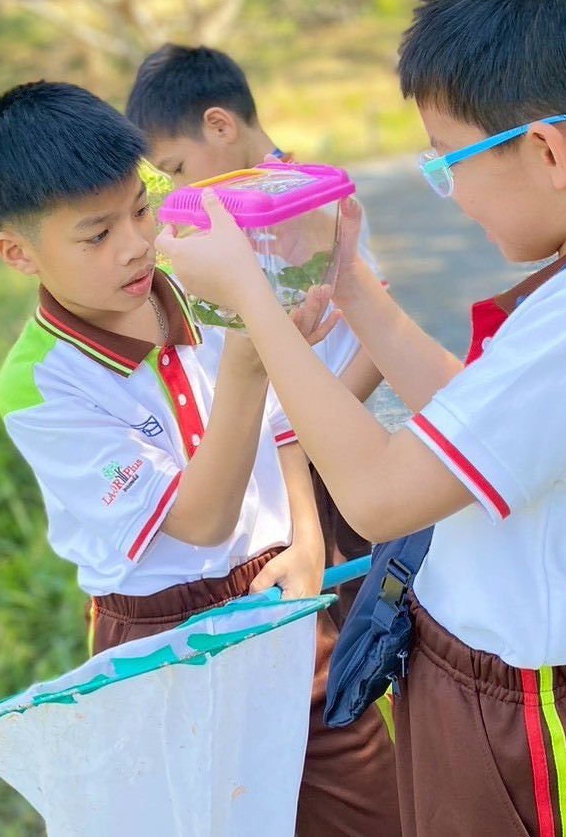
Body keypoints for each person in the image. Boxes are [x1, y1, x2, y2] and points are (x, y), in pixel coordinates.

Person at [160, 0, 566, 836]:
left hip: (519, 717)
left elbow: (380, 497)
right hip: (482, 685)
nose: (446, 188)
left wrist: (253, 302)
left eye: (447, 161)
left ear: (547, 152)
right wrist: (348, 281)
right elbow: (475, 417)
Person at [0, 81, 400, 836]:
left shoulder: (201, 280)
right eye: (96, 235)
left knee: (373, 809)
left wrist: (305, 537)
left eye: (141, 209)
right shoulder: (42, 384)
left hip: (281, 593)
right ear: (18, 253)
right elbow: (199, 522)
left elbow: (285, 421)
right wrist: (248, 361)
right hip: (161, 639)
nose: (135, 244)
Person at [125, 44, 384, 622]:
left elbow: (376, 335)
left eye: (177, 168)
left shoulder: (309, 202)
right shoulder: (236, 216)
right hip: (292, 455)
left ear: (220, 125)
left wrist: (320, 423)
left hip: (327, 453)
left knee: (350, 618)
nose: (179, 186)